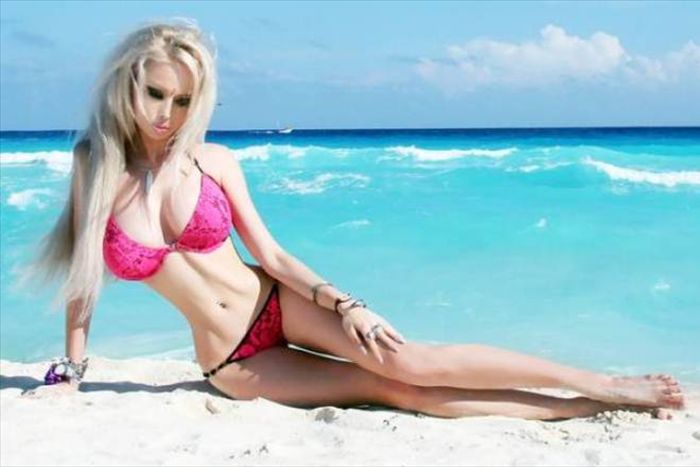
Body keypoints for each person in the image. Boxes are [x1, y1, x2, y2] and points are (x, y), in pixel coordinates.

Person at [24, 19, 685, 421]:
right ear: (128, 82)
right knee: (395, 392)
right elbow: (84, 281)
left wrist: (350, 305)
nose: (165, 113)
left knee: (411, 360)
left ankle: (600, 383)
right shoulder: (94, 166)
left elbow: (272, 257)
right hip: (229, 358)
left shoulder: (214, 161)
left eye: (181, 99)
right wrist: (71, 375)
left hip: (277, 302)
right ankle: (581, 409)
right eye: (155, 93)